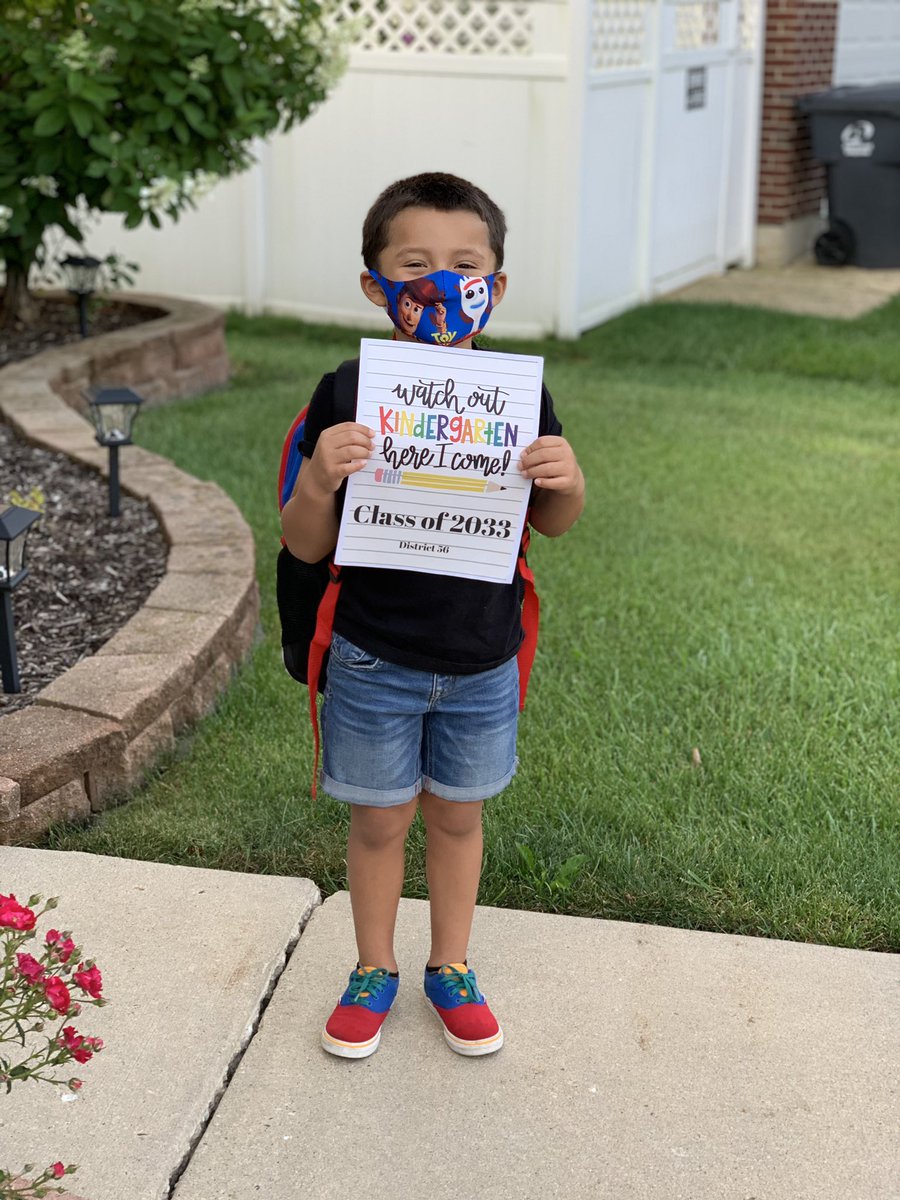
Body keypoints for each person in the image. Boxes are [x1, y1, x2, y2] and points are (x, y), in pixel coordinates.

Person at [281, 172, 584, 1060]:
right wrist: (316, 477)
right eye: (416, 266)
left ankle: (449, 966)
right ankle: (373, 968)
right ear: (376, 285)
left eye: (467, 265)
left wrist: (567, 481)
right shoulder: (348, 391)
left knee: (458, 816)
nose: (443, 285)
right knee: (378, 821)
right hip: (375, 656)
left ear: (497, 284)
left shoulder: (518, 397)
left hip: (482, 658)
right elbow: (303, 544)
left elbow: (552, 524)